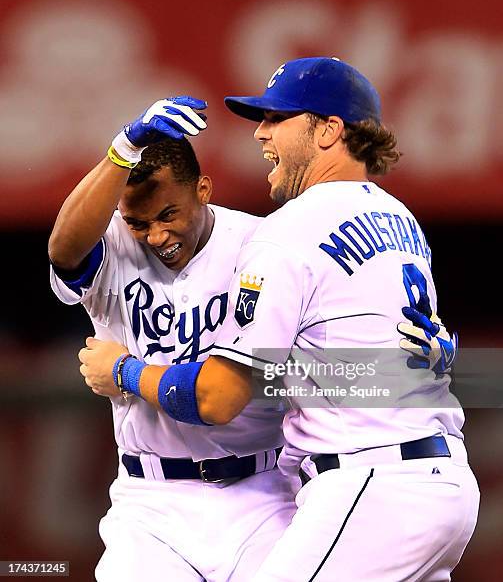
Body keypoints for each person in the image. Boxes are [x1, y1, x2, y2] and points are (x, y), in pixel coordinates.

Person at [80, 58, 479, 581]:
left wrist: (124, 372)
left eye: (277, 118)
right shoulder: (400, 218)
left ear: (329, 130)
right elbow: (360, 370)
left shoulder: (287, 230)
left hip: (371, 483)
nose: (260, 133)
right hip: (443, 480)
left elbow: (218, 398)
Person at [48, 96, 297, 582]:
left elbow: (224, 393)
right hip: (151, 504)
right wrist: (122, 150)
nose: (157, 235)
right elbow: (64, 250)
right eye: (139, 222)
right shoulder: (117, 240)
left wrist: (124, 371)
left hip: (263, 492)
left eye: (168, 215)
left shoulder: (262, 244)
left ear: (203, 189)